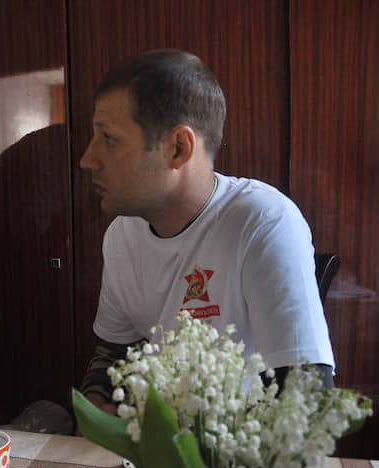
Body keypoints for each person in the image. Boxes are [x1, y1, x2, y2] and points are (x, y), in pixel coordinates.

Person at [78, 49, 335, 416]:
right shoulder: (121, 235)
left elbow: (306, 395)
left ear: (178, 148)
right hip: (152, 448)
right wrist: (95, 404)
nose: (87, 159)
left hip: (237, 459)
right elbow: (114, 350)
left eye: (109, 138)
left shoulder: (263, 221)